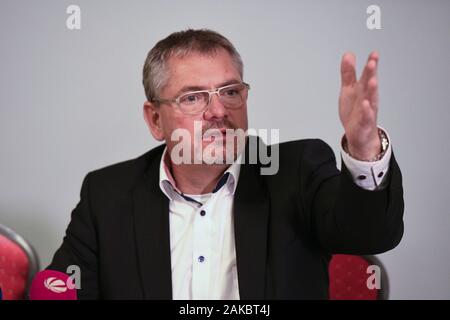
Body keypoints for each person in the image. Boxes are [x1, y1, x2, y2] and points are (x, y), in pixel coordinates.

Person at [48, 29, 404, 299]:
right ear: (155, 119)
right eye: (193, 97)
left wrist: (363, 147)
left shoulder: (295, 172)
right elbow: (60, 286)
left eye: (230, 92)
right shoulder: (107, 194)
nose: (218, 111)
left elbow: (371, 232)